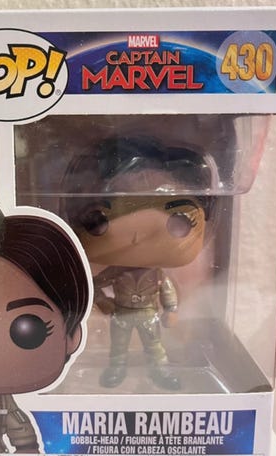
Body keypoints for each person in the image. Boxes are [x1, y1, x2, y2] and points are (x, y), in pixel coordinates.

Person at [63, 136, 214, 390]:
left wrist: (171, 309)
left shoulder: (157, 274)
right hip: (121, 315)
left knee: (154, 346)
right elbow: (96, 285)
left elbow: (167, 291)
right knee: (119, 347)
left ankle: (160, 370)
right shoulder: (115, 271)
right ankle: (116, 370)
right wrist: (103, 302)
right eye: (102, 219)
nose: (138, 233)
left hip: (148, 315)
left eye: (176, 220)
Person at [0, 198, 90, 453]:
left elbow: (22, 433)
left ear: (72, 336)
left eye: (26, 331)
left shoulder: (3, 405)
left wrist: (27, 449)